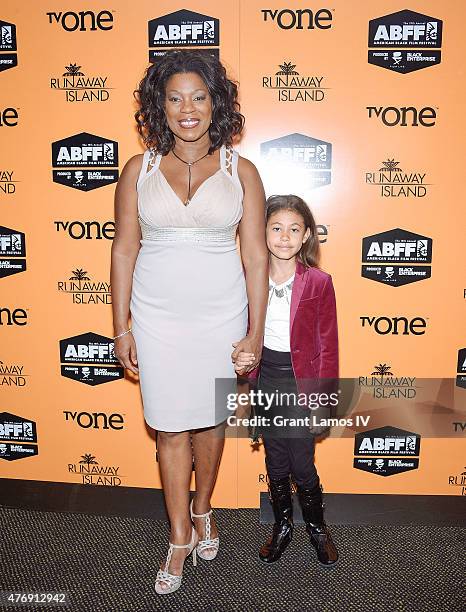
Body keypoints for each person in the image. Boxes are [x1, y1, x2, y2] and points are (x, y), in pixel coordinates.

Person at [110, 50, 268, 595]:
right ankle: (179, 534)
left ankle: (204, 507)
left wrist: (253, 331)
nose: (187, 109)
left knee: (209, 423)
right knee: (169, 427)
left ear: (215, 103)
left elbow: (255, 258)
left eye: (198, 96)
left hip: (221, 314)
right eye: (174, 98)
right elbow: (124, 251)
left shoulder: (240, 170)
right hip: (156, 316)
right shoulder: (139, 169)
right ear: (160, 106)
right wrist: (122, 326)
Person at [234, 194, 339, 566]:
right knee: (276, 461)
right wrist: (239, 359)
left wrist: (323, 403)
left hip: (301, 385)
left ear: (307, 234)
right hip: (265, 382)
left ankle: (316, 527)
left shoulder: (318, 283)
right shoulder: (246, 278)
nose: (284, 237)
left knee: (301, 462)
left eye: (294, 229)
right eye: (276, 228)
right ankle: (281, 526)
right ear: (261, 232)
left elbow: (328, 346)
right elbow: (236, 331)